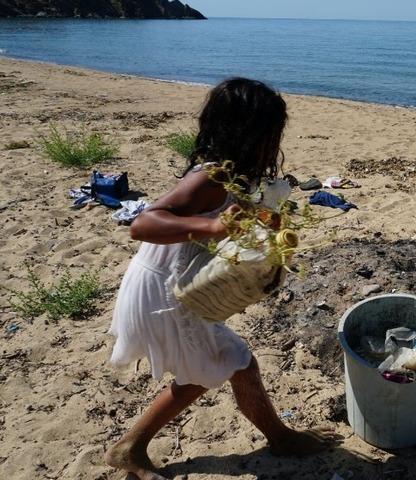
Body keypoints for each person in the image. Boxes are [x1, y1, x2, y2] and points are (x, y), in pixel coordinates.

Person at [104, 78, 333, 480]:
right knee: (221, 366)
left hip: (177, 286)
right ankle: (130, 447)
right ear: (251, 131)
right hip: (163, 290)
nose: (274, 142)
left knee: (236, 364)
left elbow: (233, 224)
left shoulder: (232, 177)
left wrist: (270, 223)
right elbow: (142, 224)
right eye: (271, 132)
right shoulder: (209, 176)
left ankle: (279, 437)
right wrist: (212, 230)